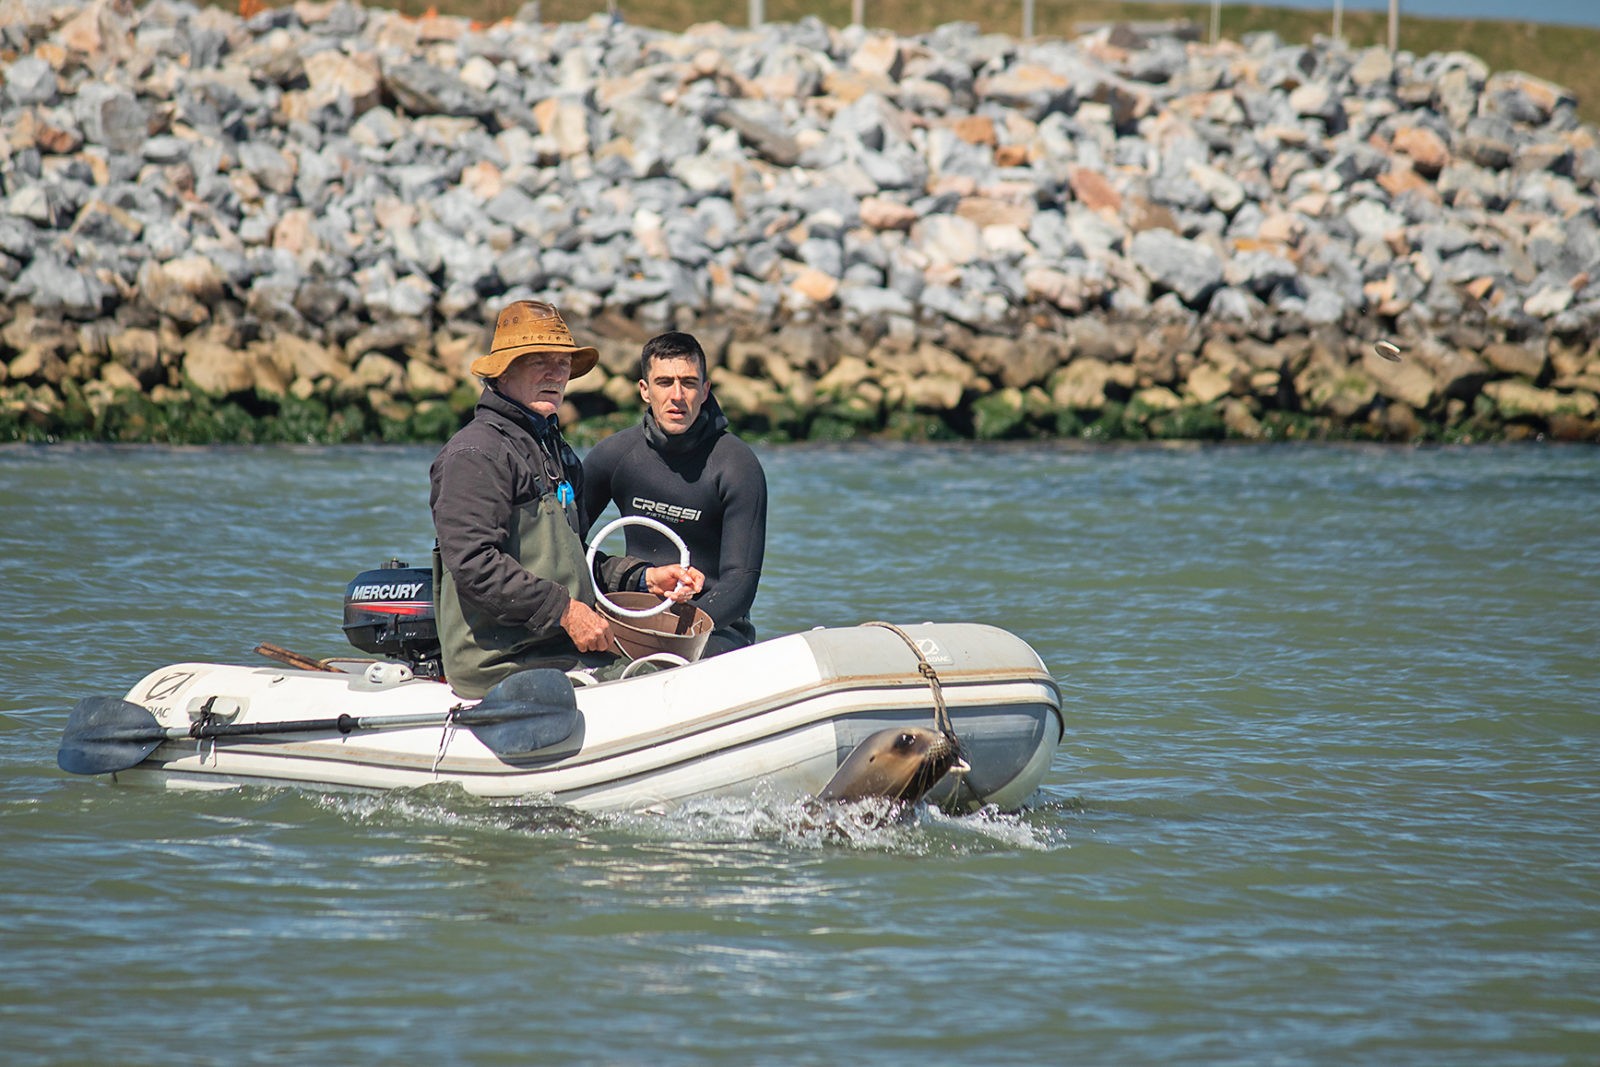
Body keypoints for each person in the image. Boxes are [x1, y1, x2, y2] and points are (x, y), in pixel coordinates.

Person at [430, 301, 703, 698]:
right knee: (656, 686)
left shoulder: (552, 449)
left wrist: (644, 577)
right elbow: (475, 565)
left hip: (555, 647)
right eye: (538, 360)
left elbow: (569, 556)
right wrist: (565, 610)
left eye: (562, 363)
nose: (556, 374)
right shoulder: (475, 454)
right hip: (500, 662)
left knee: (668, 672)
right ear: (503, 372)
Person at [582, 331, 767, 658]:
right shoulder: (615, 456)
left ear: (705, 389)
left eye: (689, 382)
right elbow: (562, 545)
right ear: (645, 390)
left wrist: (680, 631)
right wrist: (627, 586)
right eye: (665, 382)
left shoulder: (735, 465)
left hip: (714, 628)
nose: (677, 395)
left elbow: (741, 583)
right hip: (634, 614)